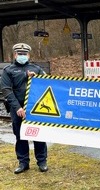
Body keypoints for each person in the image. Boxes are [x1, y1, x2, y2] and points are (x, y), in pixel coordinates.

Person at [1, 43, 48, 174]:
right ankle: (23, 163)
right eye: (19, 54)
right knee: (20, 135)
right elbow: (6, 90)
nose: (22, 56)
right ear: (14, 55)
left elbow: (48, 83)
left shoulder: (36, 69)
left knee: (38, 134)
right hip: (17, 109)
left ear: (29, 55)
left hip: (35, 108)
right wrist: (17, 108)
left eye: (24, 54)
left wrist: (36, 78)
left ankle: (42, 161)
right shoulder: (8, 70)